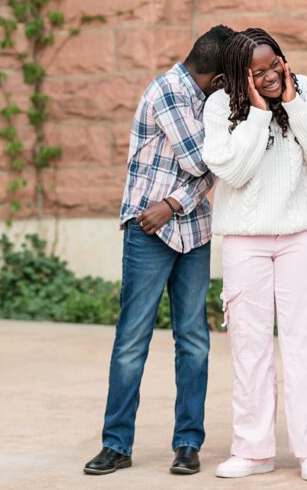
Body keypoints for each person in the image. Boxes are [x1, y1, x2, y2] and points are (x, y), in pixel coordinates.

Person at [83, 25, 234, 477]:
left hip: (192, 230)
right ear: (218, 76)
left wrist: (173, 203)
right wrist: (224, 149)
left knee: (194, 340)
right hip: (148, 234)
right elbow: (203, 160)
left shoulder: (208, 100)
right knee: (132, 339)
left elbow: (216, 166)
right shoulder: (167, 91)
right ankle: (116, 444)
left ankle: (188, 443)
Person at [202, 28, 307, 482]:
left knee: (303, 347)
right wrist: (259, 114)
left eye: (274, 66)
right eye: (256, 73)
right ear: (241, 77)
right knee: (249, 349)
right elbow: (233, 173)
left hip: (297, 235)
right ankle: (253, 449)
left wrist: (296, 105)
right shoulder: (221, 107)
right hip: (245, 241)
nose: (269, 77)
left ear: (284, 59)